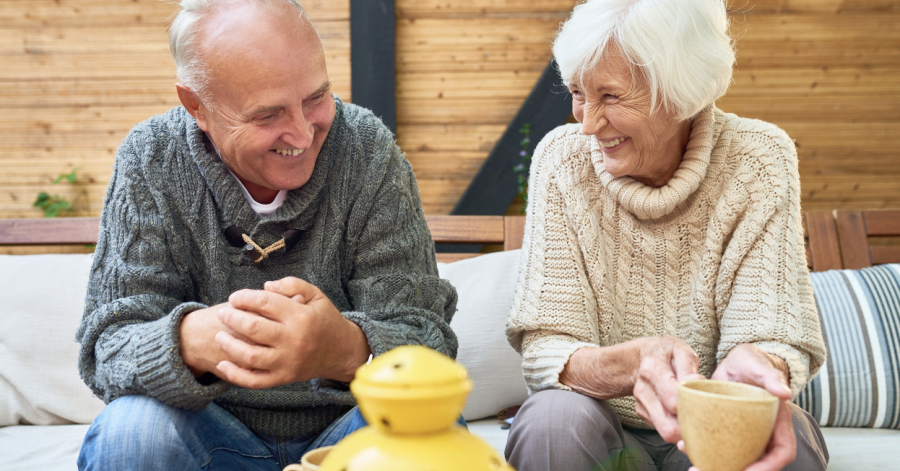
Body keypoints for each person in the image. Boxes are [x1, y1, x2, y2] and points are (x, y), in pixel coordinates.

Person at [75, 1, 458, 469]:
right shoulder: (150, 158)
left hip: (351, 438)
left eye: (316, 97)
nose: (300, 134)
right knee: (131, 433)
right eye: (267, 115)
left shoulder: (366, 149)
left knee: (427, 428)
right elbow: (107, 350)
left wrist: (343, 349)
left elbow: (431, 347)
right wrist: (191, 340)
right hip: (206, 434)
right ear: (197, 106)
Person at [504, 1, 828, 470]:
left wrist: (760, 366)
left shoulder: (758, 160)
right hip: (600, 427)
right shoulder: (562, 161)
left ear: (681, 93)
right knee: (553, 420)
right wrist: (632, 364)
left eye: (611, 97)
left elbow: (772, 331)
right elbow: (548, 349)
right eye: (578, 92)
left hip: (714, 417)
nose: (588, 122)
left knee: (789, 437)